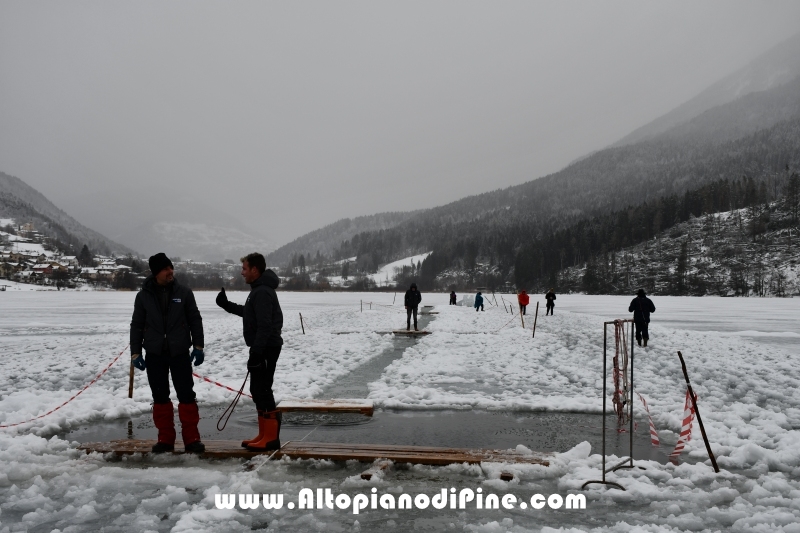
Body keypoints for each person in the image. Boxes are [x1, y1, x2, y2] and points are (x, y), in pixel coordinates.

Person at [130, 253, 206, 454]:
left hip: (179, 352)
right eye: (165, 269)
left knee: (186, 395)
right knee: (160, 396)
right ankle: (165, 438)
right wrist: (135, 352)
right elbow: (137, 325)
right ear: (156, 273)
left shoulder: (184, 292)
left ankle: (192, 439)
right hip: (155, 353)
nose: (170, 271)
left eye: (171, 267)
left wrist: (198, 346)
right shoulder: (143, 296)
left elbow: (195, 320)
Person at [216, 253, 284, 451]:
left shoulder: (262, 292)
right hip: (263, 346)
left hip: (266, 347)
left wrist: (256, 353)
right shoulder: (258, 290)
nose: (242, 272)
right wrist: (226, 305)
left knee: (262, 389)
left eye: (244, 269)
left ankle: (271, 439)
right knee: (257, 390)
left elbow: (264, 326)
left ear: (255, 270)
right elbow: (249, 313)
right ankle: (264, 434)